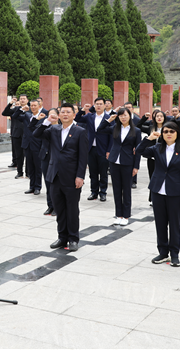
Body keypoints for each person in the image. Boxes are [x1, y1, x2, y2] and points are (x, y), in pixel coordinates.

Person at [34, 103, 88, 252]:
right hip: (54, 176)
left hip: (71, 177)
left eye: (68, 112)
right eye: (62, 112)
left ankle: (73, 238)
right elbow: (36, 134)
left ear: (74, 115)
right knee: (59, 209)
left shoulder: (80, 131)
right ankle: (62, 237)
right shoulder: (53, 129)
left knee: (72, 210)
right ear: (59, 115)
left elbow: (83, 157)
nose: (65, 114)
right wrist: (47, 121)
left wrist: (80, 176)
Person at [136, 121, 180, 267]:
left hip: (175, 193)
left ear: (177, 133)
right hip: (158, 191)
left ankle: (174, 254)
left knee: (174, 225)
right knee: (160, 224)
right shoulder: (157, 148)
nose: (168, 134)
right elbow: (139, 150)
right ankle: (163, 252)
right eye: (165, 131)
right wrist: (149, 138)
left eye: (171, 131)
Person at [99, 108, 142, 226]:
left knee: (126, 190)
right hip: (114, 161)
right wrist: (108, 120)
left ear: (130, 116)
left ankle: (126, 215)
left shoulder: (136, 131)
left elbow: (138, 150)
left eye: (125, 115)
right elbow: (100, 129)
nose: (123, 117)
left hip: (128, 162)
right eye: (121, 115)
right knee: (116, 189)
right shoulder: (115, 128)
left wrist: (136, 166)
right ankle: (119, 215)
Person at [75, 98, 112, 202]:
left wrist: (109, 150)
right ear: (94, 105)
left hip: (103, 149)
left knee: (103, 173)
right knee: (93, 172)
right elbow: (77, 118)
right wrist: (83, 110)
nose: (98, 106)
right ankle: (94, 192)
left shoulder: (109, 118)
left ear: (104, 105)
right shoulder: (89, 116)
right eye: (97, 104)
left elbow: (111, 136)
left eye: (101, 104)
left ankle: (103, 193)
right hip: (90, 148)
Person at [13, 99, 45, 195]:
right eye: (32, 106)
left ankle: (37, 187)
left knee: (37, 167)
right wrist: (21, 109)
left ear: (39, 106)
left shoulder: (43, 117)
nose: (33, 107)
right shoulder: (27, 115)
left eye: (35, 105)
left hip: (37, 145)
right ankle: (31, 186)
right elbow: (14, 116)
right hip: (27, 144)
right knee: (30, 167)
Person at [137, 110, 168, 205]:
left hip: (163, 157)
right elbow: (138, 126)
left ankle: (164, 197)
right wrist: (144, 117)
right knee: (152, 178)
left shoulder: (167, 129)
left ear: (164, 118)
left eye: (161, 116)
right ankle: (153, 198)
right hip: (151, 157)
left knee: (163, 177)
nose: (159, 118)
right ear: (154, 118)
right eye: (157, 116)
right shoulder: (151, 128)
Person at [39, 108, 59, 215]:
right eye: (50, 115)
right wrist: (45, 122)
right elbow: (33, 130)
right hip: (45, 157)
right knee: (48, 183)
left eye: (54, 115)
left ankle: (57, 207)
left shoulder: (61, 128)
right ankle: (50, 206)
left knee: (55, 184)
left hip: (57, 159)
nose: (52, 117)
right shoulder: (45, 127)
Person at [2, 95, 26, 178]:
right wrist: (10, 103)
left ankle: (28, 173)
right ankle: (20, 172)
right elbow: (4, 113)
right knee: (18, 155)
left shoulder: (30, 109)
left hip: (27, 135)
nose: (22, 100)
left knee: (29, 155)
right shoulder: (16, 109)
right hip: (16, 134)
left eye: (24, 99)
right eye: (21, 99)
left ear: (27, 100)